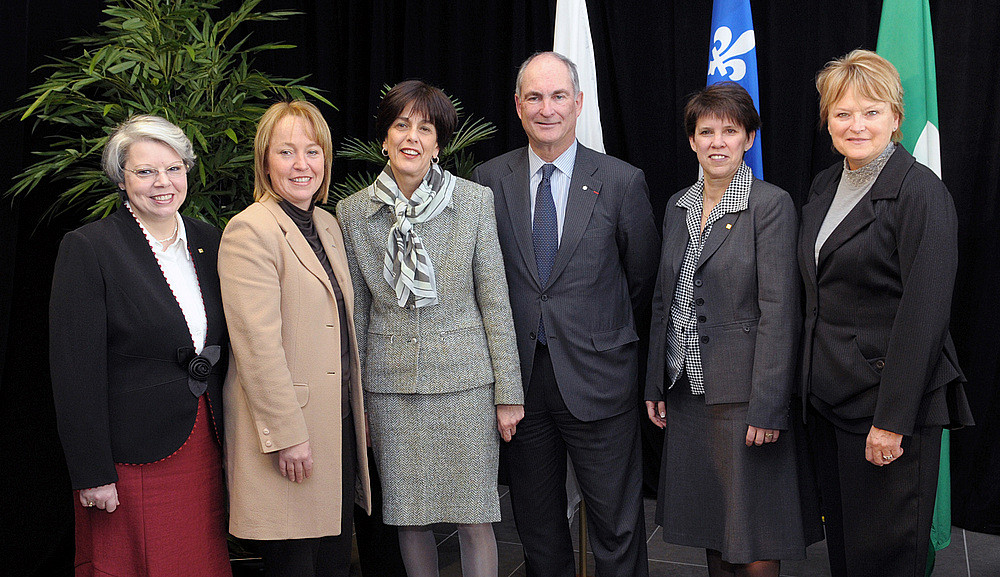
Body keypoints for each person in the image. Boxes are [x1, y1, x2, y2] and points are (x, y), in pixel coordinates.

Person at [472, 52, 660, 577]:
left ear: (578, 104)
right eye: (534, 97)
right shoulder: (488, 181)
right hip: (522, 388)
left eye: (558, 96)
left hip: (600, 381)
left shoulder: (621, 182)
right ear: (517, 105)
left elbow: (642, 280)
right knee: (536, 531)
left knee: (617, 529)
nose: (546, 108)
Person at [337, 79, 524, 577]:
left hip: (466, 386)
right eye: (401, 125)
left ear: (439, 143)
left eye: (425, 128)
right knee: (409, 518)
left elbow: (496, 303)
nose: (411, 137)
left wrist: (509, 394)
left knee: (474, 516)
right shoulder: (353, 213)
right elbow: (356, 317)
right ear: (385, 137)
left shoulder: (474, 202)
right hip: (390, 390)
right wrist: (357, 406)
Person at [800, 49, 973, 577]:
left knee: (886, 559)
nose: (856, 125)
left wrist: (891, 423)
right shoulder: (827, 184)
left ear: (896, 119)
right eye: (843, 112)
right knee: (850, 555)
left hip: (887, 410)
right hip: (832, 401)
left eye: (872, 111)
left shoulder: (921, 193)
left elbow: (924, 318)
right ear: (827, 119)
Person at [644, 82, 815, 577]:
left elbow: (780, 312)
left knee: (753, 533)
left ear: (748, 139)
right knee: (712, 528)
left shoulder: (770, 205)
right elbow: (663, 300)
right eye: (706, 132)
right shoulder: (678, 205)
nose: (717, 141)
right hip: (688, 394)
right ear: (692, 141)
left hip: (744, 401)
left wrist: (768, 405)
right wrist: (657, 380)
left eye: (729, 131)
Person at [49, 115, 231, 577]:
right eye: (145, 171)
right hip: (129, 460)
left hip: (204, 446)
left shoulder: (210, 240)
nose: (162, 183)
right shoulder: (90, 247)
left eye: (173, 168)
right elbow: (74, 372)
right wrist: (92, 473)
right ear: (121, 178)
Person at [219, 100, 371, 577]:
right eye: (286, 152)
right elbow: (257, 349)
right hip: (290, 436)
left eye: (312, 151)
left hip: (335, 428)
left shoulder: (327, 224)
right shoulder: (250, 229)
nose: (301, 165)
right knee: (295, 567)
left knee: (331, 564)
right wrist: (287, 436)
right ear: (266, 160)